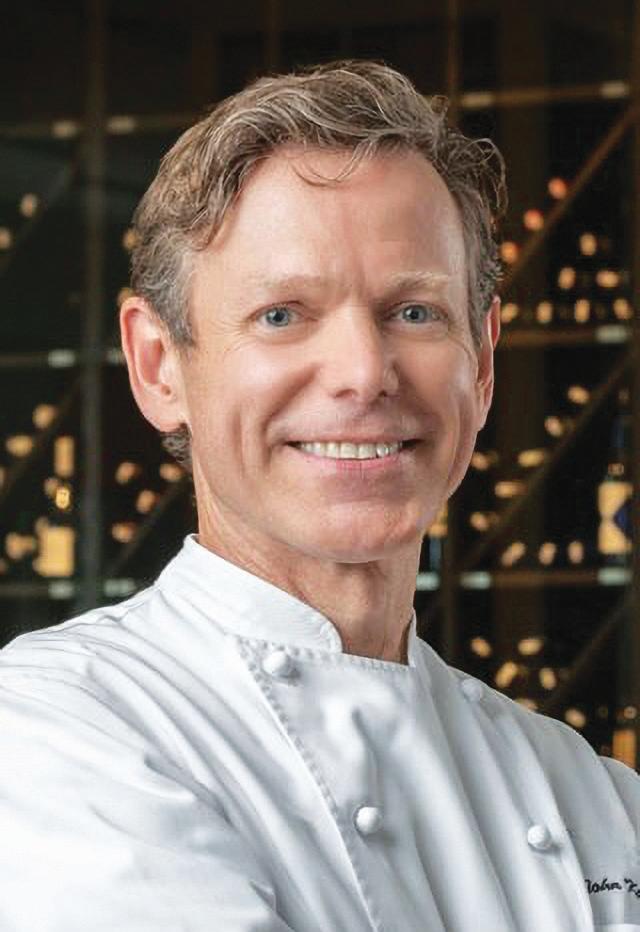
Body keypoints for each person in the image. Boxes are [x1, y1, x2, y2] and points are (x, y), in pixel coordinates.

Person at [0, 59, 637, 932]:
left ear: (483, 362)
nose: (364, 373)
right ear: (158, 366)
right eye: (282, 315)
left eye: (414, 312)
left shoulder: (593, 797)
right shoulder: (54, 729)